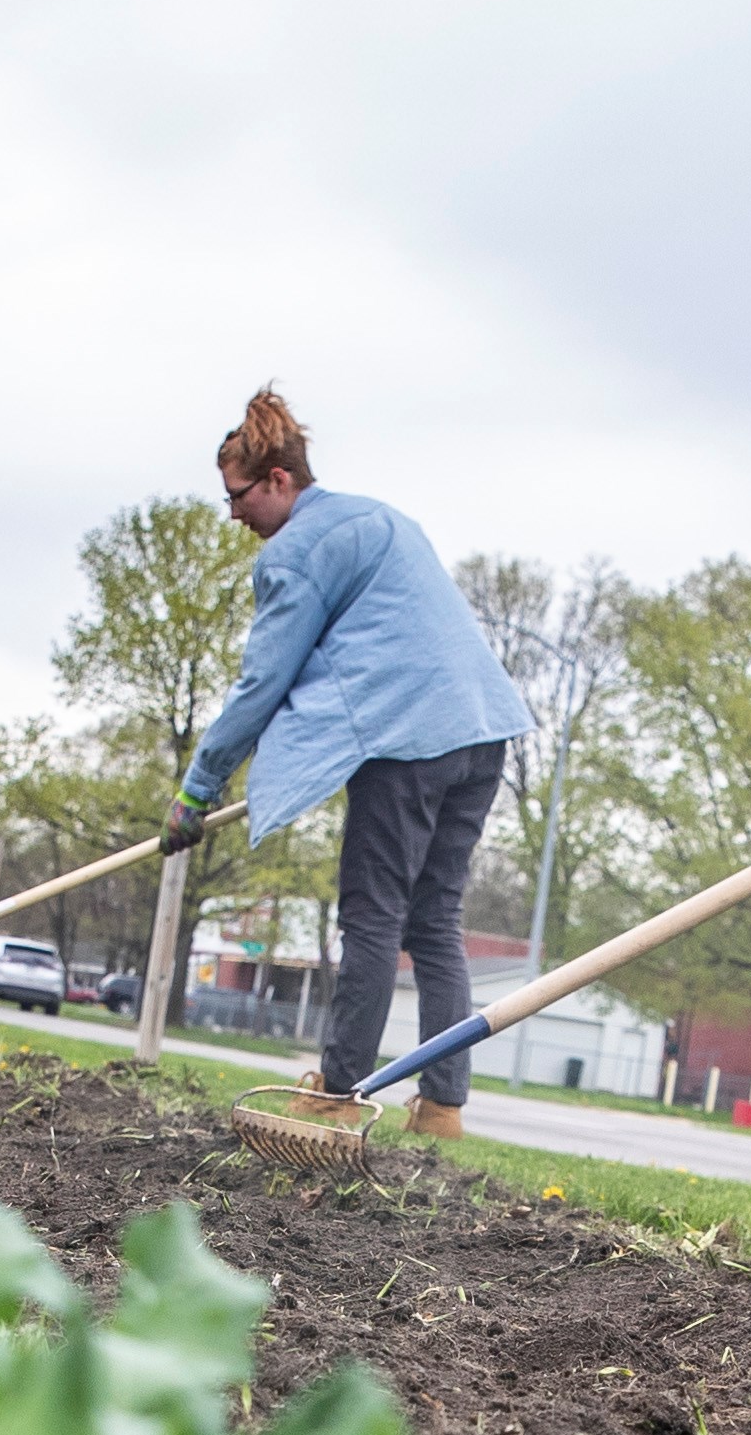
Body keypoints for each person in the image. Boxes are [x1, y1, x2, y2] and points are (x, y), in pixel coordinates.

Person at [161, 389, 529, 1138]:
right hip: (483, 730)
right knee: (436, 921)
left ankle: (334, 1094)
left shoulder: (296, 552)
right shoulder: (380, 518)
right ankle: (443, 1107)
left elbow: (264, 680)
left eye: (237, 497)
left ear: (277, 481)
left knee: (372, 917)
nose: (233, 515)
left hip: (406, 742)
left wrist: (196, 791)